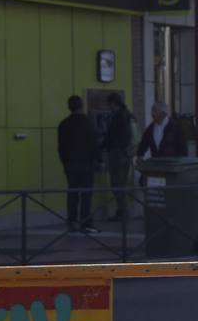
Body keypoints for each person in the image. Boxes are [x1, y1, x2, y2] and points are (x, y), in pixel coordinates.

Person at [57, 95, 99, 234]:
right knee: (86, 194)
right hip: (87, 164)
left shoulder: (63, 124)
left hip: (70, 165)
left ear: (69, 107)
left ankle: (72, 220)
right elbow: (94, 145)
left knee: (73, 192)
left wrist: (65, 162)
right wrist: (98, 161)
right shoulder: (89, 123)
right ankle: (85, 222)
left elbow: (61, 148)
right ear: (82, 106)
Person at [103, 93, 139, 220]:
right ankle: (121, 211)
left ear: (114, 103)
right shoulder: (126, 115)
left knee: (118, 184)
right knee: (118, 184)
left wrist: (106, 146)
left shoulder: (120, 116)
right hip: (122, 154)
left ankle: (123, 212)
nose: (108, 107)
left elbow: (118, 136)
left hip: (119, 154)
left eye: (109, 104)